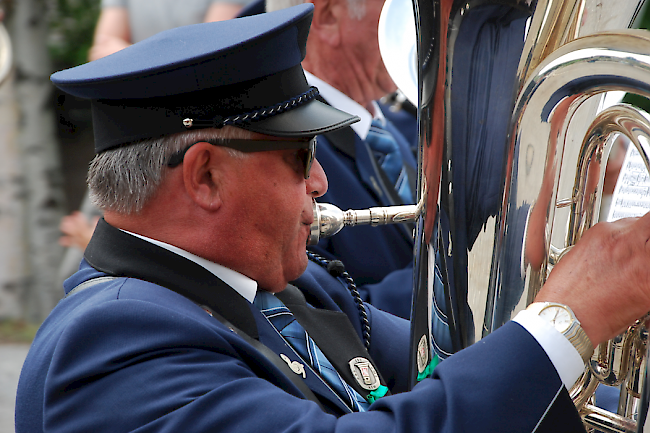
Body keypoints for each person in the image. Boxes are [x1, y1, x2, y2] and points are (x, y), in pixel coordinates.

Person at [14, 5, 650, 432]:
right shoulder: (107, 343)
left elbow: (457, 364)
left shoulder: (291, 287)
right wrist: (568, 318)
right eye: (298, 158)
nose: (320, 183)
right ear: (206, 175)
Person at [266, 0, 418, 320]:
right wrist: (458, 270)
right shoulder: (283, 145)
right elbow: (322, 311)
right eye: (396, 5)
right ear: (329, 16)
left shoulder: (382, 122)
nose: (416, 22)